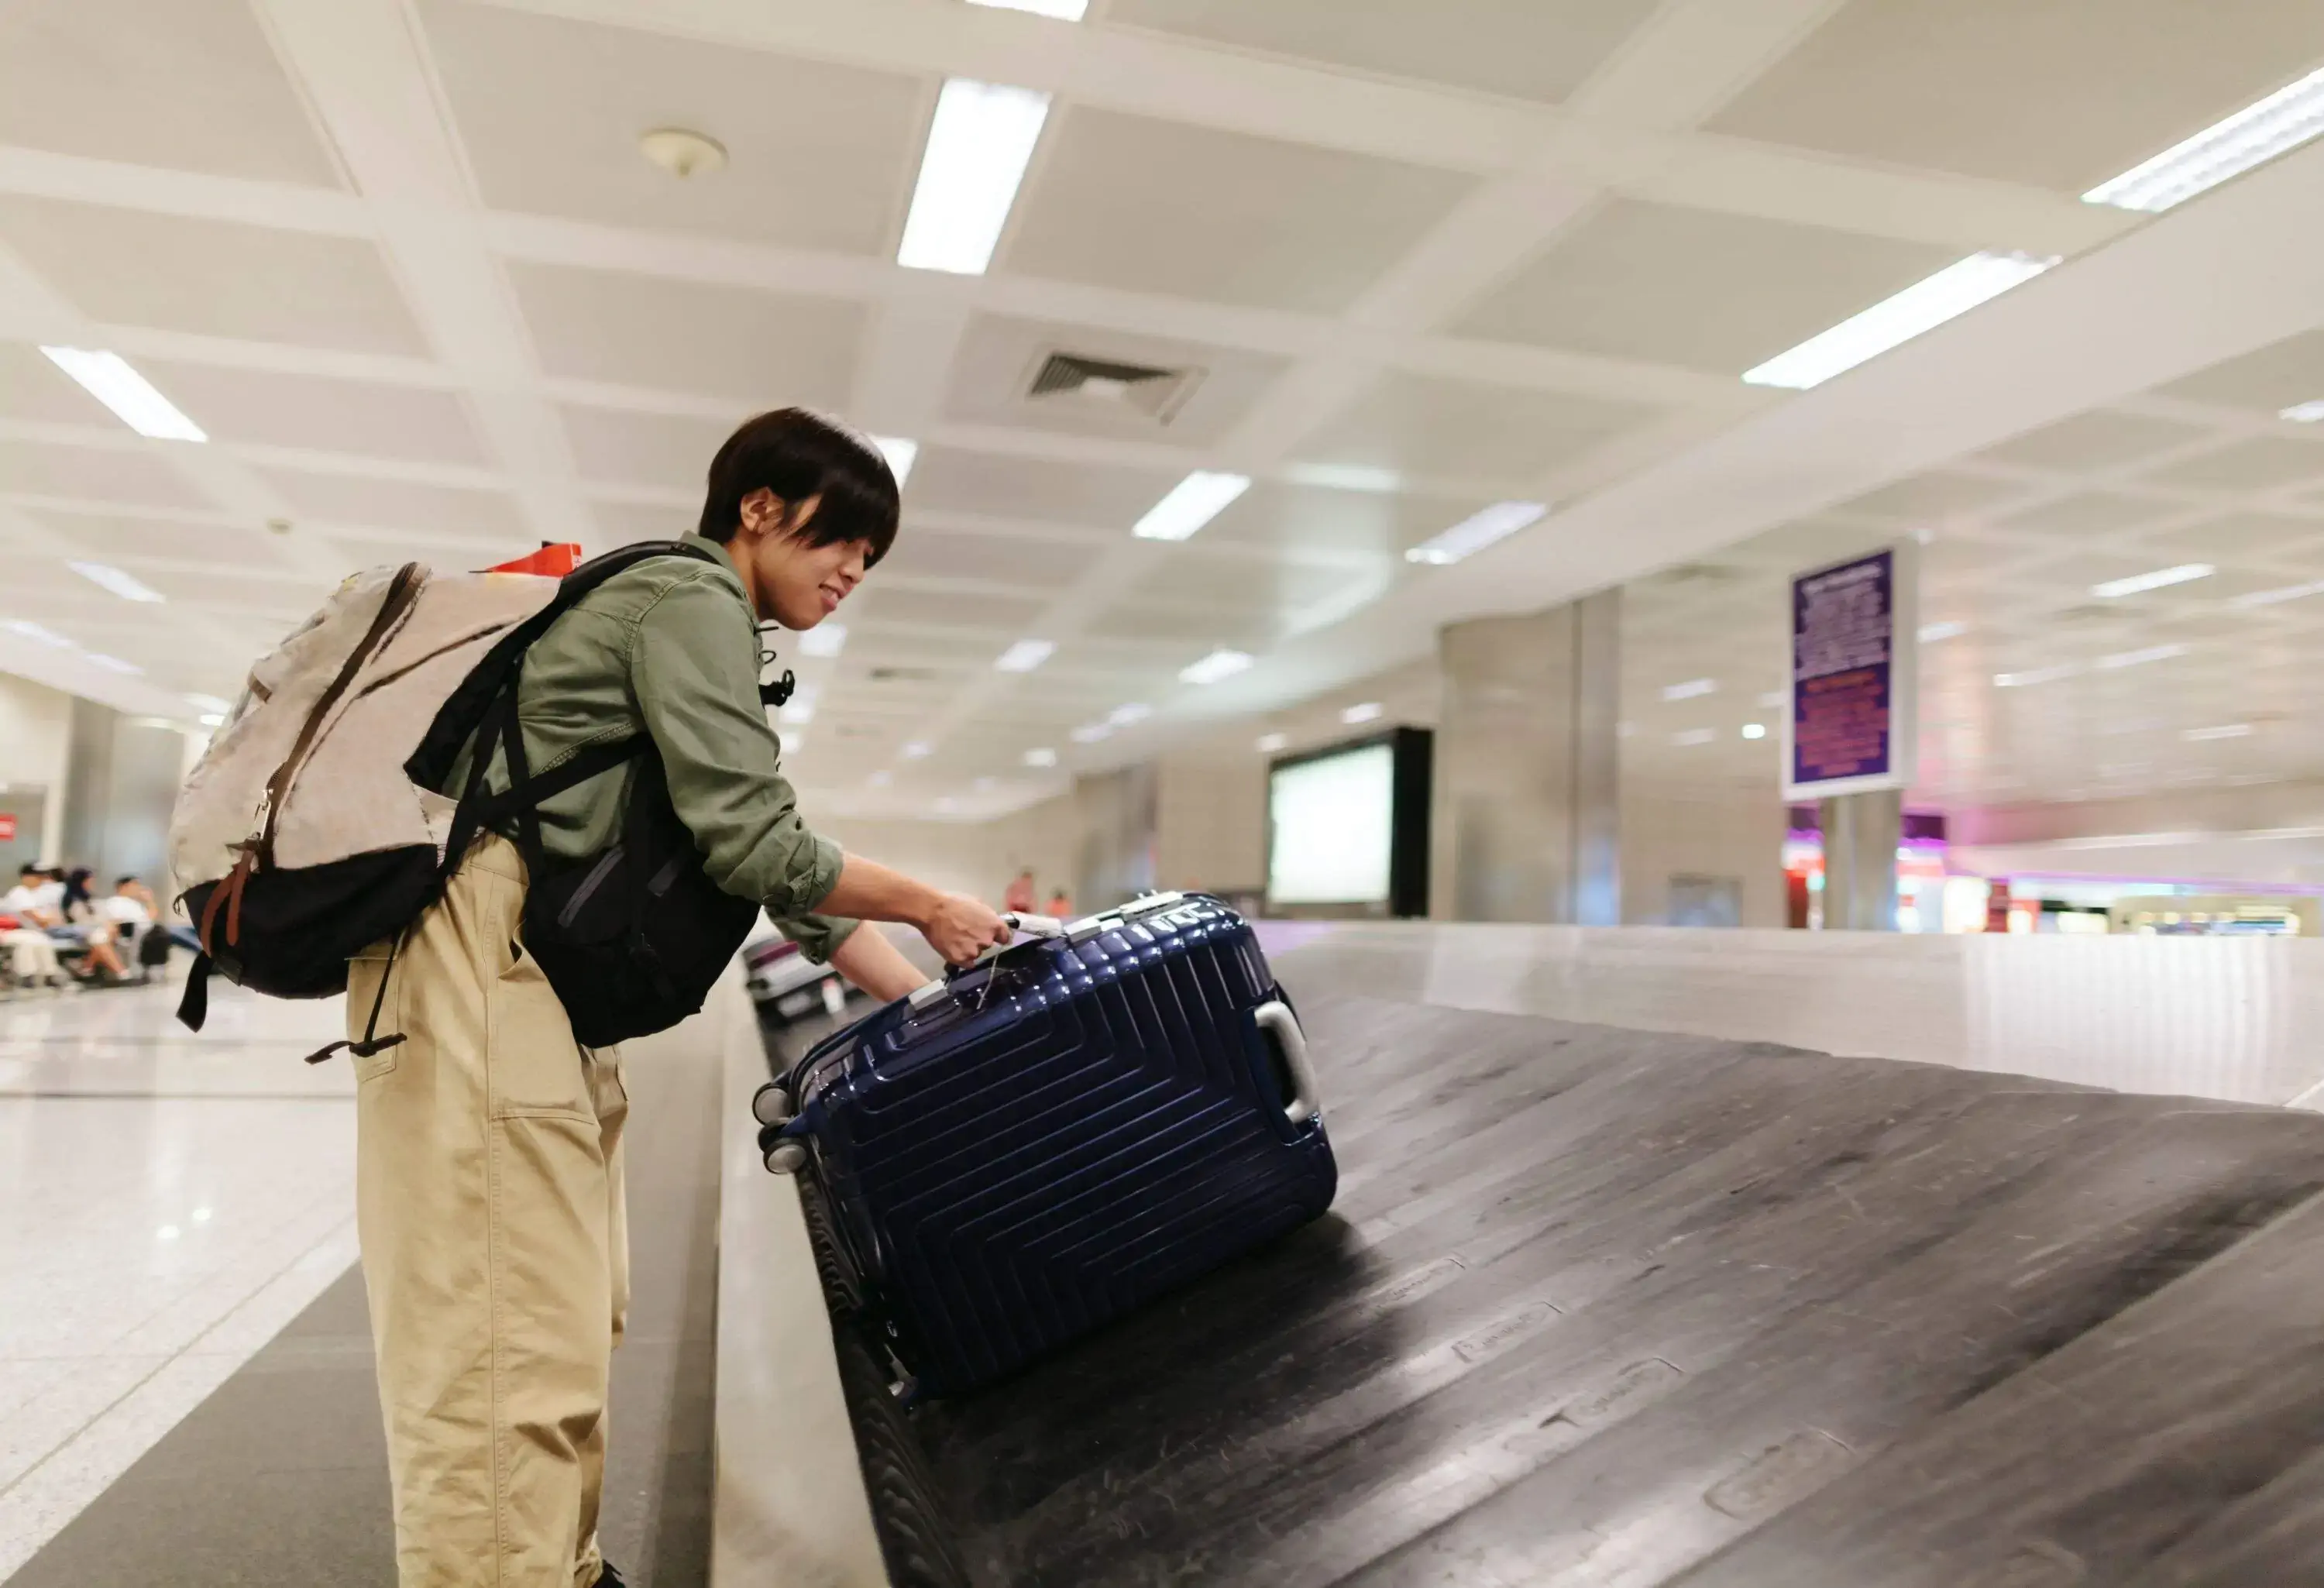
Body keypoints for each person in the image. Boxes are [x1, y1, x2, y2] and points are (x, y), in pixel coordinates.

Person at [351, 407, 1009, 1588]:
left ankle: (563, 1561)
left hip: (528, 982)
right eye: (842, 537)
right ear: (758, 507)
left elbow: (769, 872)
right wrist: (934, 905)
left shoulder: (697, 621)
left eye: (873, 552)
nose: (855, 568)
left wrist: (924, 1002)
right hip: (480, 963)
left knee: (562, 1304)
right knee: (503, 1327)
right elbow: (756, 841)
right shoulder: (689, 600)